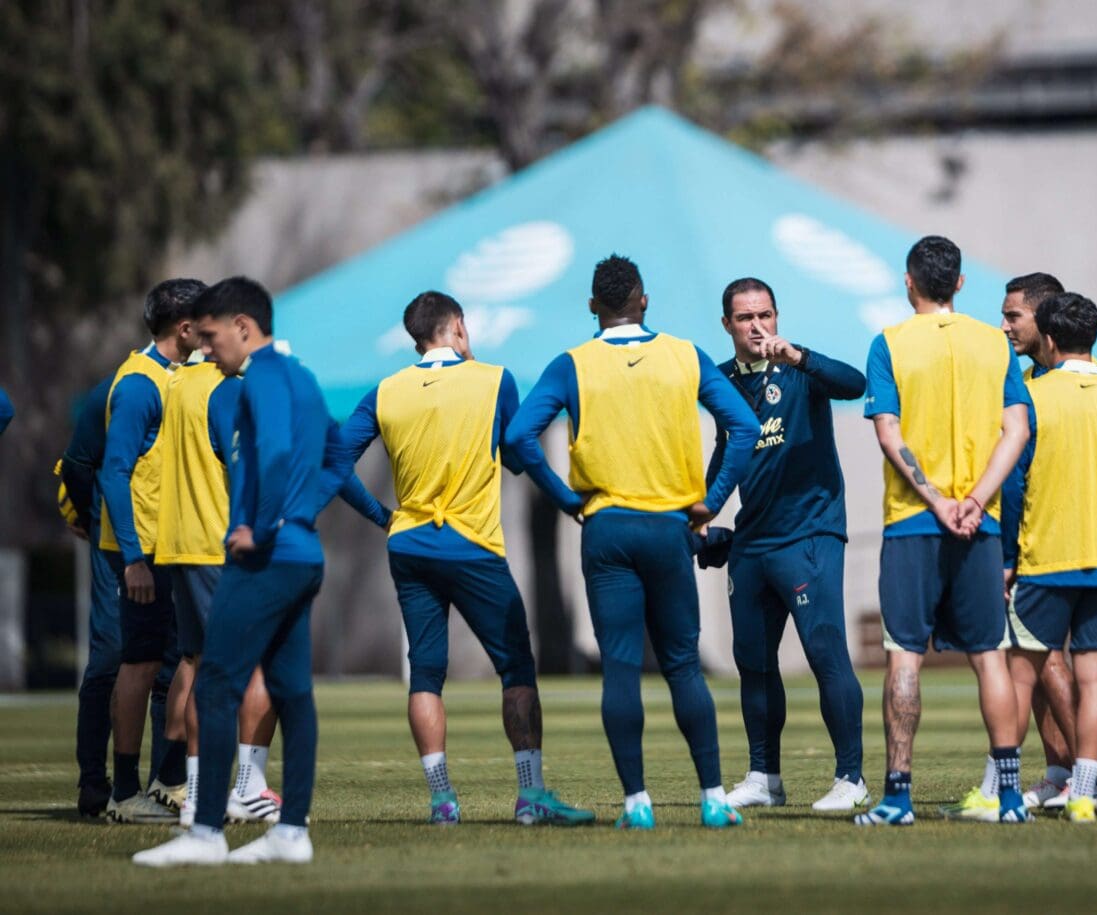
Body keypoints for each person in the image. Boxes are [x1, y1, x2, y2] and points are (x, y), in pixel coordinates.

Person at [134, 276, 386, 866]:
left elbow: (272, 453)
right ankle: (291, 832)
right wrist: (301, 513)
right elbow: (336, 455)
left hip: (265, 558)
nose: (205, 347)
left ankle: (204, 837)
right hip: (302, 556)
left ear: (244, 328)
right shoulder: (299, 377)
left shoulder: (264, 381)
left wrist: (266, 524)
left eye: (213, 336)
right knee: (295, 692)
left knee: (216, 682)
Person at [506, 255, 759, 830]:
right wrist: (712, 500)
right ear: (644, 301)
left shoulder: (573, 363)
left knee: (620, 669)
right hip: (669, 527)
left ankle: (636, 805)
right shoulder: (684, 354)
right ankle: (714, 799)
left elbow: (519, 436)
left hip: (608, 529)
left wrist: (567, 499)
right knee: (683, 668)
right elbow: (742, 426)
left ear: (593, 307)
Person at [331, 290, 593, 826]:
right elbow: (522, 454)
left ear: (415, 337)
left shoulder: (387, 390)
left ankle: (442, 799)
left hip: (410, 547)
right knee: (516, 667)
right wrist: (567, 498)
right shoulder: (494, 380)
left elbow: (333, 461)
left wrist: (384, 517)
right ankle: (530, 795)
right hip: (473, 546)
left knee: (425, 675)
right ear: (458, 327)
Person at [856, 235, 1030, 827]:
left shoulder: (890, 343)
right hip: (981, 524)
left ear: (910, 283)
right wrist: (976, 501)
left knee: (905, 656)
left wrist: (935, 501)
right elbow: (1017, 431)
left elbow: (888, 431)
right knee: (991, 657)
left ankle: (898, 798)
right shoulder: (994, 343)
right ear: (960, 283)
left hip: (912, 523)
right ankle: (1010, 799)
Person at [941, 273, 1097, 821]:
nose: (1004, 325)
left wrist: (1008, 554)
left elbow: (1018, 478)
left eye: (1014, 316)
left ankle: (1082, 777)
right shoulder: (1039, 378)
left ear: (1045, 319)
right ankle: (1063, 773)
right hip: (1070, 542)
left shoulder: (1050, 388)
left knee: (1039, 656)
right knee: (1034, 658)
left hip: (1046, 542)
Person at [708, 277, 868, 813]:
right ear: (727, 324)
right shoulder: (722, 379)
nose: (758, 327)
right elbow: (724, 451)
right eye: (746, 318)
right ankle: (763, 777)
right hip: (753, 540)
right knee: (752, 661)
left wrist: (798, 355)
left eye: (766, 315)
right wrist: (702, 514)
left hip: (810, 532)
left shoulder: (801, 370)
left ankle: (852, 777)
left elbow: (855, 383)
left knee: (825, 652)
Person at [999, 292, 1097, 824]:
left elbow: (1014, 488)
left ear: (1051, 338)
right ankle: (1083, 794)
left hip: (1045, 558)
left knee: (1018, 677)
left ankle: (1005, 793)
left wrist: (1007, 556)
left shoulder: (1033, 397)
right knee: (1095, 684)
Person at [156, 341, 285, 830]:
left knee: (203, 667)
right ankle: (247, 789)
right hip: (220, 546)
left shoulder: (172, 384)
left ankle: (195, 796)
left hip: (179, 544)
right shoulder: (225, 389)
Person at [98, 279, 205, 823]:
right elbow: (114, 472)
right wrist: (134, 557)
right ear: (183, 329)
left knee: (185, 655)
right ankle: (123, 792)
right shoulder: (140, 384)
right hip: (143, 550)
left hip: (174, 545)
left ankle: (168, 778)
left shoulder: (177, 376)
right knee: (138, 663)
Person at [57, 374, 172, 817]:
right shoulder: (118, 388)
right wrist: (95, 522)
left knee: (165, 663)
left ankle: (164, 783)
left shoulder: (194, 381)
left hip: (171, 545)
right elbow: (76, 463)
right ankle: (95, 783)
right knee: (110, 658)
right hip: (118, 548)